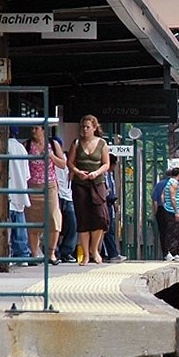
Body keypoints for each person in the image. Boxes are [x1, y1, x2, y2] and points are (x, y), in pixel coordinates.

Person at [67, 114, 110, 266]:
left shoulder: (102, 143)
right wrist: (78, 172)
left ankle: (94, 249)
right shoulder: (77, 143)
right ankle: (85, 254)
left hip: (97, 183)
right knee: (83, 218)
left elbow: (106, 164)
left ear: (94, 128)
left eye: (88, 127)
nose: (85, 130)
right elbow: (70, 162)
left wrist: (96, 173)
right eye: (83, 127)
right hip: (80, 184)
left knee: (99, 217)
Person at [24, 125, 65, 266]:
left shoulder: (53, 144)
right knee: (33, 220)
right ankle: (34, 254)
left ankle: (51, 252)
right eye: (32, 128)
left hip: (50, 186)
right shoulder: (27, 145)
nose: (33, 131)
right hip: (32, 186)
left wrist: (52, 156)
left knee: (54, 217)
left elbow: (63, 164)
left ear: (43, 130)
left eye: (36, 128)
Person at [7, 127, 32, 266]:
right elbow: (27, 174)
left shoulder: (2, 148)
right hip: (20, 190)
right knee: (20, 224)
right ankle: (23, 254)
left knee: (6, 225)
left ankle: (7, 254)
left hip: (7, 190)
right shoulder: (22, 148)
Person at [54, 136, 78, 264]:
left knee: (72, 224)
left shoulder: (66, 158)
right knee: (55, 225)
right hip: (56, 194)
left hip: (67, 196)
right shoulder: (50, 158)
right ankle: (55, 251)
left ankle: (66, 251)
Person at [102, 154, 127, 262]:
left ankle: (112, 253)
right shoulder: (103, 174)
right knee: (107, 231)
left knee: (111, 230)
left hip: (111, 205)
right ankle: (111, 254)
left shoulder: (110, 175)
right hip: (105, 204)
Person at [158, 167, 179, 262]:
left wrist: (164, 204)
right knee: (172, 232)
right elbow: (173, 198)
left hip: (169, 210)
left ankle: (172, 252)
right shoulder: (174, 184)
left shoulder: (168, 182)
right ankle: (169, 252)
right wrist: (176, 211)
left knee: (172, 232)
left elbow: (162, 195)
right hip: (172, 211)